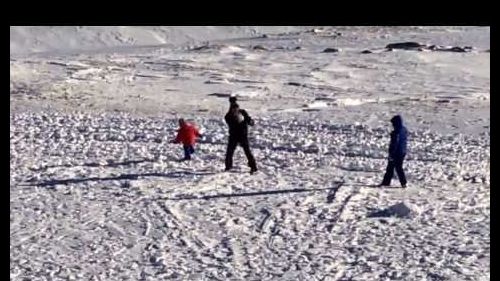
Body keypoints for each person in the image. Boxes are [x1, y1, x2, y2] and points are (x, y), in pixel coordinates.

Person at [224, 98, 258, 174]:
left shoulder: (242, 113)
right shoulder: (229, 116)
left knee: (246, 151)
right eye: (233, 108)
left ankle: (253, 166)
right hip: (234, 135)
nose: (235, 109)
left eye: (236, 107)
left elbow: (251, 122)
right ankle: (228, 166)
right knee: (230, 152)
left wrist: (248, 119)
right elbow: (229, 120)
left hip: (242, 135)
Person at [380, 115, 408, 188]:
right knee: (392, 167)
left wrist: (391, 154)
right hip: (402, 151)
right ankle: (387, 182)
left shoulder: (396, 132)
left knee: (396, 168)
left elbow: (394, 144)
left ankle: (403, 182)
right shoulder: (404, 130)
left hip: (396, 153)